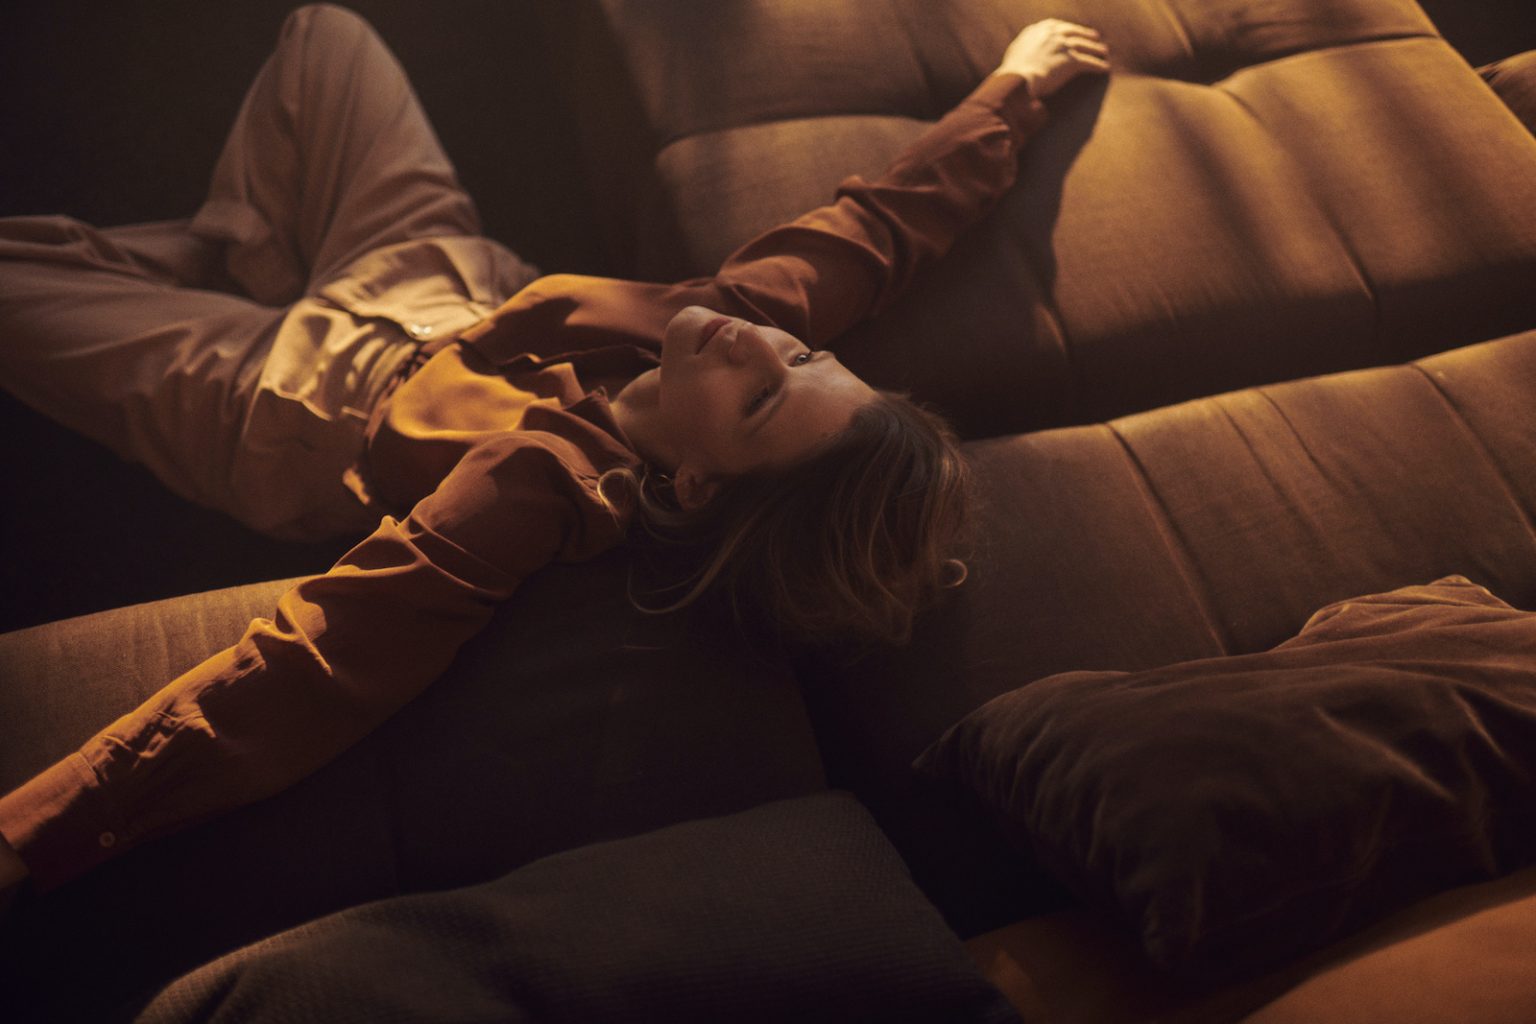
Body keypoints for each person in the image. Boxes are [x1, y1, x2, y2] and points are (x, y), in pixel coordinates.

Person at [0, 6, 1108, 904]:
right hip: (431, 271)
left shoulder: (533, 489)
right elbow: (882, 227)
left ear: (696, 482)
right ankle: (237, 255)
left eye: (764, 394)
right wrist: (1018, 84)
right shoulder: (731, 324)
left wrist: (34, 831)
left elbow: (310, 669)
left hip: (290, 399)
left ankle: (229, 273)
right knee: (325, 35)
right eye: (805, 352)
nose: (757, 341)